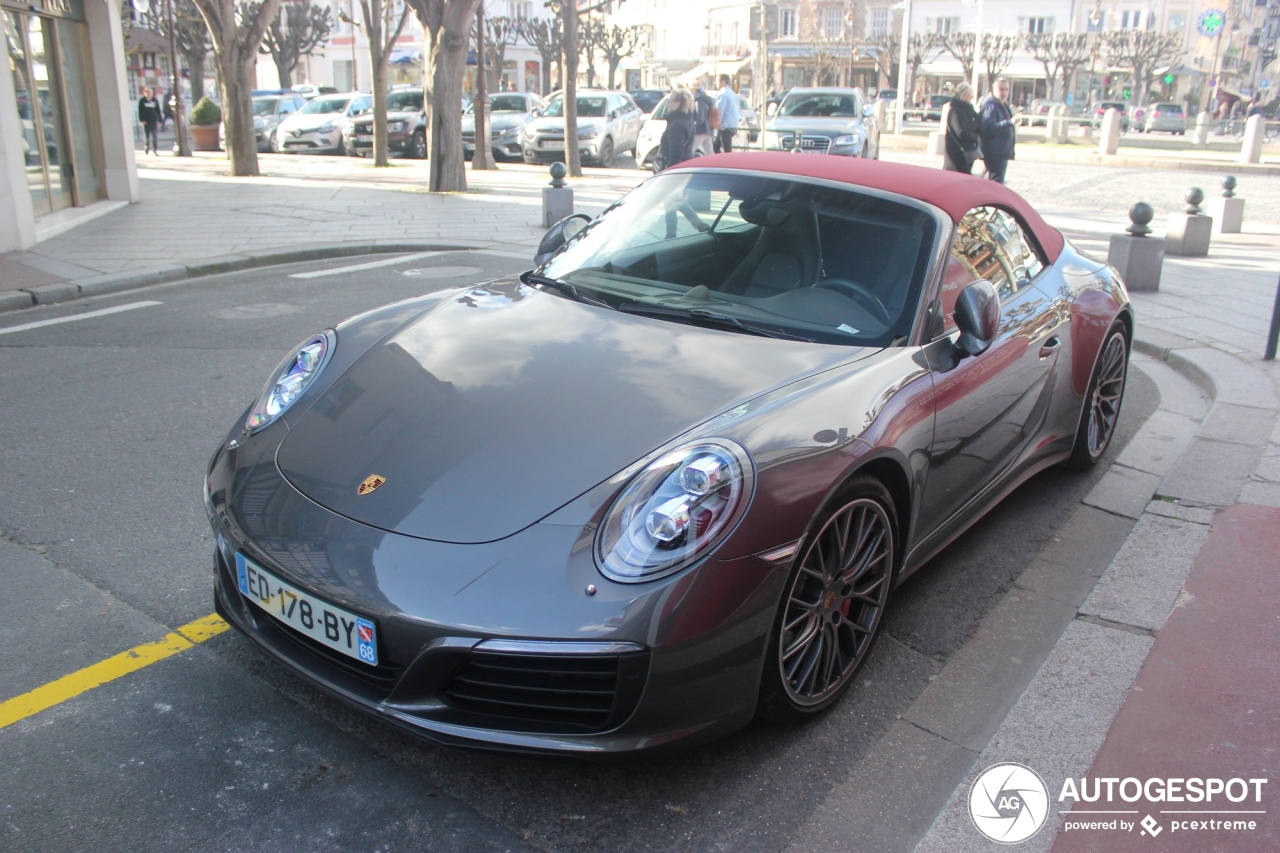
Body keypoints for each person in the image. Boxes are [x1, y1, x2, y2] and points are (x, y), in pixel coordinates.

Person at [979, 77, 1016, 184]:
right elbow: (988, 128)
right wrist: (1010, 122)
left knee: (993, 183)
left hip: (1000, 151)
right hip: (995, 152)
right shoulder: (990, 106)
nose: (1004, 92)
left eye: (1006, 89)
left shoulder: (1001, 105)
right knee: (995, 185)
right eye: (1001, 89)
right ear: (994, 90)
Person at [943, 82, 981, 174]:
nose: (972, 97)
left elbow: (977, 126)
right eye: (970, 94)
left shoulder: (970, 110)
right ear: (964, 95)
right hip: (957, 152)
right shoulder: (955, 110)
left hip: (968, 151)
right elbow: (961, 132)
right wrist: (976, 137)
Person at [657, 88, 696, 172]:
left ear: (677, 103)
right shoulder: (688, 121)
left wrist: (669, 173)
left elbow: (676, 155)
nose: (667, 104)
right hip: (685, 168)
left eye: (669, 101)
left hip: (675, 172)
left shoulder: (677, 125)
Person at [713, 74, 740, 154]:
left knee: (726, 150)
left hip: (725, 125)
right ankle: (719, 163)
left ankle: (726, 164)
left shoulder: (723, 93)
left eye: (718, 81)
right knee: (716, 146)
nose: (715, 83)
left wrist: (715, 124)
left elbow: (719, 110)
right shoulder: (732, 93)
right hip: (732, 123)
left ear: (723, 81)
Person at [692, 82, 716, 157]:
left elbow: (700, 118)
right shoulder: (707, 100)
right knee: (710, 155)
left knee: (688, 151)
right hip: (709, 129)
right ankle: (715, 167)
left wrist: (693, 128)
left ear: (694, 90)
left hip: (701, 130)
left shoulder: (699, 101)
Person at [138, 87, 162, 155]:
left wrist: (160, 120)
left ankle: (155, 149)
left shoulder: (155, 100)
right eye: (148, 92)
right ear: (145, 93)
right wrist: (142, 120)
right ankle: (146, 148)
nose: (149, 94)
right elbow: (140, 111)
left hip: (154, 121)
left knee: (155, 136)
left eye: (151, 92)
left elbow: (158, 111)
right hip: (146, 121)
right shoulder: (142, 101)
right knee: (147, 136)